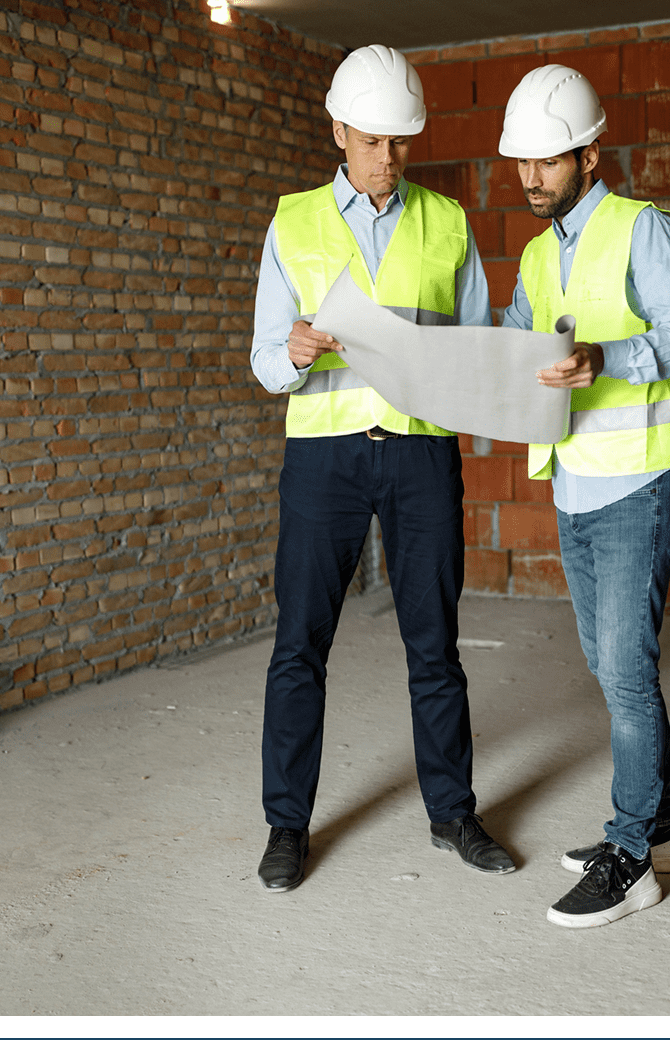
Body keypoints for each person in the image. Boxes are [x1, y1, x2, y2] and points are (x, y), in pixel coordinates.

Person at [250, 44, 515, 892]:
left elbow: (475, 345)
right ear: (338, 130)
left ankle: (454, 813)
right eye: (372, 141)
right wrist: (291, 350)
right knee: (300, 645)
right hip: (325, 457)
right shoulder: (292, 221)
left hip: (420, 455)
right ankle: (287, 825)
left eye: (401, 142)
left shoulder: (446, 221)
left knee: (434, 645)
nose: (388, 159)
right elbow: (263, 359)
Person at [498, 65, 670, 928]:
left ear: (590, 154)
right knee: (610, 666)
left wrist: (603, 359)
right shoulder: (537, 254)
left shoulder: (643, 229)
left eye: (548, 161)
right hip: (575, 484)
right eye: (523, 162)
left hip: (640, 482)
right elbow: (517, 341)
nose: (532, 177)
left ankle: (631, 858)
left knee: (625, 673)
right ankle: (660, 831)